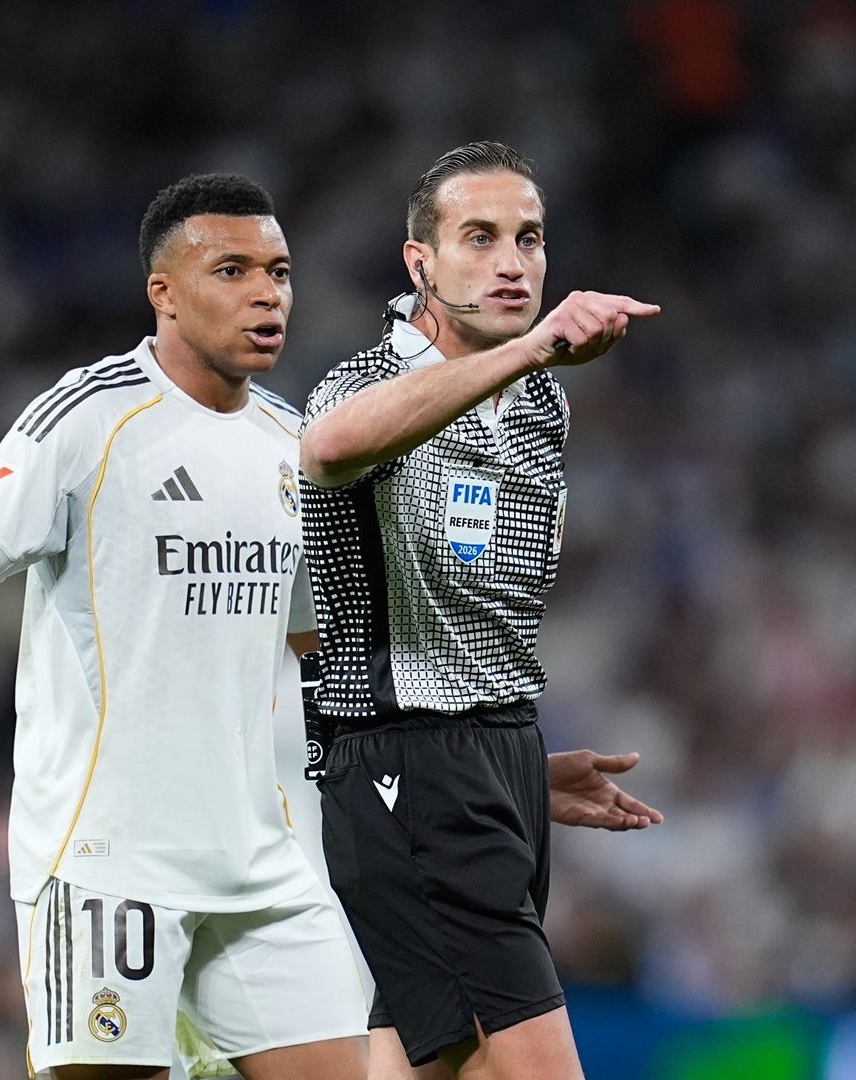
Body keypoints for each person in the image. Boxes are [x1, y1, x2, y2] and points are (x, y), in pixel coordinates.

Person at [0, 174, 368, 1080]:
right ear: (162, 291)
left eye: (278, 270)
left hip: (261, 864)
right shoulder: (83, 420)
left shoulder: (299, 446)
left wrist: (485, 760)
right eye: (231, 269)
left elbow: (316, 650)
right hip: (110, 858)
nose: (266, 291)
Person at [297, 141, 661, 1079]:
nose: (513, 262)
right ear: (420, 263)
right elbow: (327, 448)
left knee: (433, 1063)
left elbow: (471, 619)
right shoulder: (364, 382)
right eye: (480, 237)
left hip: (487, 759)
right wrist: (541, 341)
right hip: (409, 767)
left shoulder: (539, 401)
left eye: (530, 239)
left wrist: (518, 769)